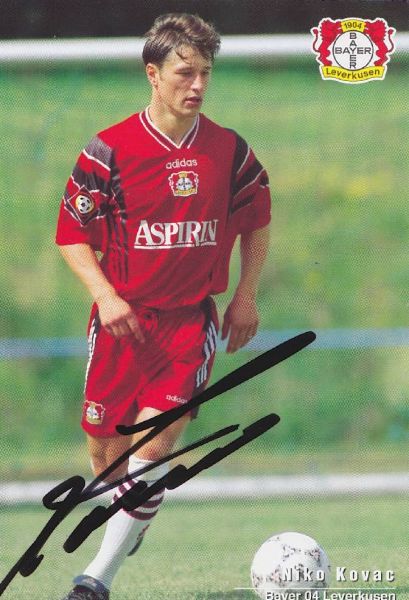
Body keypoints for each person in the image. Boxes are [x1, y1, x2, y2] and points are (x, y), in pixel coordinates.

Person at [56, 12, 271, 600]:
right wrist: (106, 296)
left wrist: (245, 294)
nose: (197, 85)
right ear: (153, 74)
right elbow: (71, 234)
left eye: (205, 73)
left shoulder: (229, 150)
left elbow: (257, 220)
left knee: (151, 452)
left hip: (187, 326)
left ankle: (95, 579)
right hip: (121, 325)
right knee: (108, 457)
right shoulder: (108, 150)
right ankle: (131, 515)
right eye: (184, 72)